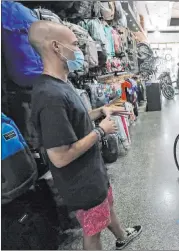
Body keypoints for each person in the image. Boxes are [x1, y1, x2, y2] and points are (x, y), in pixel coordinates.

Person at [28, 21, 142, 250]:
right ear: (57, 47)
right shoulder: (50, 96)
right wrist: (101, 130)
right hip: (81, 183)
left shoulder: (61, 83)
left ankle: (122, 236)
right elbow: (59, 156)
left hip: (92, 173)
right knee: (93, 233)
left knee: (107, 205)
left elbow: (74, 119)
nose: (79, 50)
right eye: (75, 44)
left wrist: (101, 111)